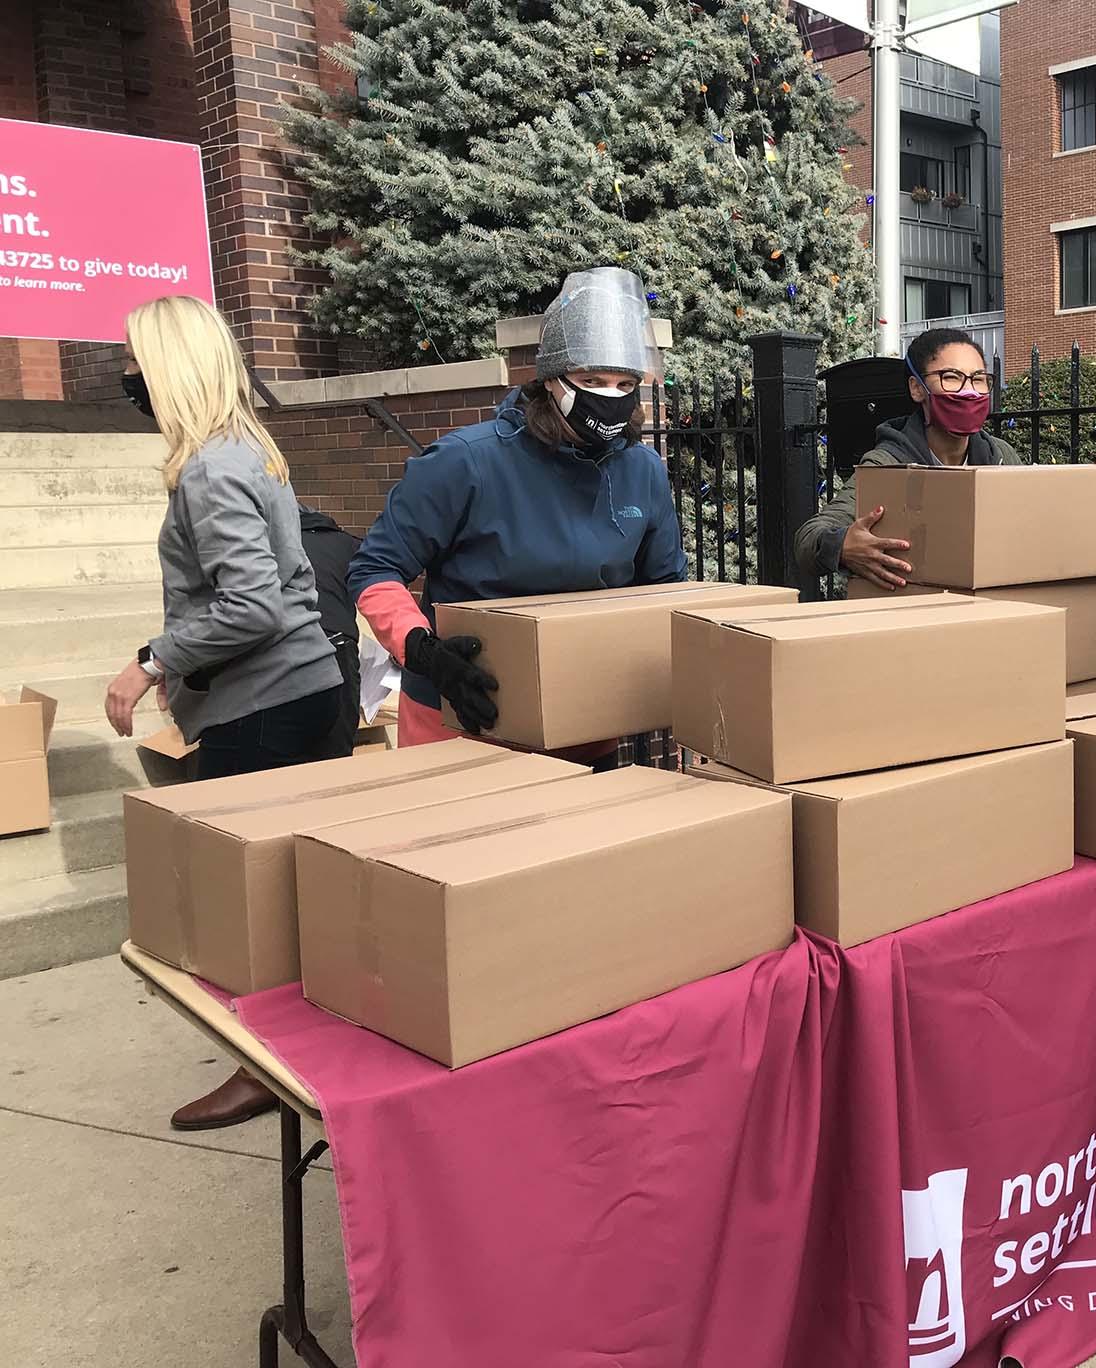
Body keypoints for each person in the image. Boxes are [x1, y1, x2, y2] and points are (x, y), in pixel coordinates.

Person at [103, 294, 348, 1132]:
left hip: (267, 707)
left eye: (133, 362)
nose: (126, 376)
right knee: (304, 889)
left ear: (166, 368)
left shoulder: (210, 468)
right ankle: (306, 1053)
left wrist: (151, 661)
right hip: (308, 691)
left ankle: (264, 1067)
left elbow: (251, 607)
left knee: (252, 903)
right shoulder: (251, 450)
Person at [347, 267, 685, 751]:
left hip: (585, 720)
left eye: (624, 383)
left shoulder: (642, 471)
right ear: (551, 380)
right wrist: (423, 650)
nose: (610, 395)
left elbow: (665, 590)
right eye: (592, 379)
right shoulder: (466, 462)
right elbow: (375, 568)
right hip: (461, 715)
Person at [792, 327, 1022, 592]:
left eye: (978, 379)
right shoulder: (888, 464)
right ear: (917, 388)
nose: (968, 391)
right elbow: (808, 538)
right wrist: (842, 546)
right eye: (951, 377)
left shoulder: (1001, 455)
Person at [299, 505, 363, 757]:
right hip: (339, 643)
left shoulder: (277, 543)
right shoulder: (349, 544)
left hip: (291, 645)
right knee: (337, 744)